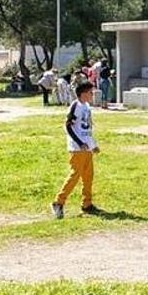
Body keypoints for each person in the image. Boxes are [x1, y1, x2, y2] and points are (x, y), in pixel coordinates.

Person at [52, 80, 100, 219]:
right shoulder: (76, 105)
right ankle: (58, 202)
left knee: (88, 176)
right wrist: (79, 142)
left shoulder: (87, 106)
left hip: (86, 148)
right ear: (83, 93)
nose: (92, 94)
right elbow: (68, 126)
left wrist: (93, 144)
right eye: (90, 92)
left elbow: (87, 128)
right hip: (77, 148)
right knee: (75, 175)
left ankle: (87, 203)